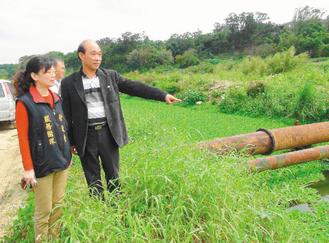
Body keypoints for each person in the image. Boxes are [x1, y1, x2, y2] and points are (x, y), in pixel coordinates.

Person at [60, 39, 180, 199]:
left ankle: (116, 208)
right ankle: (99, 212)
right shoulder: (69, 83)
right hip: (85, 137)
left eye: (100, 54)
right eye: (93, 54)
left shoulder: (110, 76)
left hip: (108, 133)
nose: (97, 58)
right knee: (92, 178)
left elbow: (135, 87)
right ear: (81, 55)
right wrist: (71, 141)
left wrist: (162, 95)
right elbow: (66, 114)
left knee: (113, 175)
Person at [13, 56, 71, 242]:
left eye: (53, 71)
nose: (53, 74)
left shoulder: (56, 97)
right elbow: (23, 138)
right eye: (47, 72)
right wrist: (28, 169)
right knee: (43, 211)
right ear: (34, 76)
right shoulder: (25, 102)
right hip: (42, 165)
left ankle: (54, 238)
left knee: (57, 206)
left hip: (62, 161)